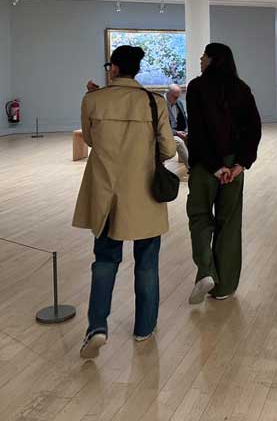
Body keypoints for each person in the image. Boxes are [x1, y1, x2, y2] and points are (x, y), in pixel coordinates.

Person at [74, 45, 177, 359]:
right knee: (147, 261)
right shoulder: (153, 102)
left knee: (105, 260)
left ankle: (97, 327)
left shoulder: (92, 99)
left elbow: (90, 140)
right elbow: (169, 150)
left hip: (105, 191)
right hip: (144, 191)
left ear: (114, 68)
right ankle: (144, 327)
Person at [185, 43, 262, 304]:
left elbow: (197, 131)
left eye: (204, 56)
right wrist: (240, 164)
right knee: (229, 223)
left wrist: (215, 167)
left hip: (206, 166)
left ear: (213, 60)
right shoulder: (241, 89)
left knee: (199, 217)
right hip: (234, 165)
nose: (201, 59)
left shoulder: (197, 87)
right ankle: (225, 286)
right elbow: (254, 129)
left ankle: (206, 271)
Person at [165, 83, 189, 170]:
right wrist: (176, 133)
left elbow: (184, 119)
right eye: (175, 97)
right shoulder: (160, 104)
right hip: (166, 132)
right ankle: (191, 169)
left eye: (178, 97)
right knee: (179, 142)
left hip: (178, 130)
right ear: (167, 94)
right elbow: (160, 126)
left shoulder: (179, 103)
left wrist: (186, 131)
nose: (177, 99)